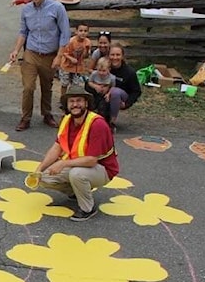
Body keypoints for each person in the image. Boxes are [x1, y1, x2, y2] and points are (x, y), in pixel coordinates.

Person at [35, 84, 118, 222]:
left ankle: (87, 209)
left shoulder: (97, 124)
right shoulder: (66, 120)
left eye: (79, 100)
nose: (75, 104)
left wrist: (62, 163)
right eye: (71, 101)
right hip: (78, 164)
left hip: (103, 169)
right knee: (43, 177)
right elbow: (57, 147)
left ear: (86, 103)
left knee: (77, 174)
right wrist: (39, 169)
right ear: (67, 105)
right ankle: (76, 191)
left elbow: (92, 160)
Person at [8, 0, 71, 132]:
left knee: (46, 86)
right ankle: (25, 117)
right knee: (28, 87)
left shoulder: (57, 8)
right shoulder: (26, 10)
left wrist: (59, 56)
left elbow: (65, 33)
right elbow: (23, 32)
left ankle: (47, 114)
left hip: (50, 53)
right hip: (31, 52)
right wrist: (16, 50)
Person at [104, 44, 141, 129]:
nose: (115, 57)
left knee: (115, 92)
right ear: (108, 55)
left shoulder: (129, 72)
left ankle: (112, 122)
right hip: (105, 95)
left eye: (118, 55)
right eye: (112, 55)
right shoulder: (104, 68)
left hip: (121, 98)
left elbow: (136, 91)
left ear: (122, 56)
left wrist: (127, 103)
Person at [55, 23, 92, 102]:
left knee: (76, 84)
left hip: (78, 67)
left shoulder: (87, 42)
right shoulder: (71, 41)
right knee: (65, 83)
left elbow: (85, 56)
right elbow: (64, 52)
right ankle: (63, 98)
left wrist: (87, 51)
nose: (83, 33)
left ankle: (73, 99)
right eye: (81, 30)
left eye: (85, 31)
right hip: (67, 66)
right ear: (76, 31)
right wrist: (71, 58)